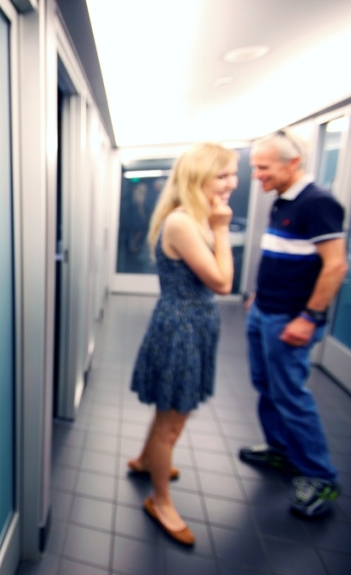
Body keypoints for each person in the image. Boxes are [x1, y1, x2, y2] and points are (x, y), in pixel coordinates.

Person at [128, 143, 238, 546]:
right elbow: (223, 282)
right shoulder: (182, 223)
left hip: (192, 324)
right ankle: (160, 502)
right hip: (182, 328)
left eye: (233, 174)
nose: (232, 184)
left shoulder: (194, 217)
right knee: (171, 424)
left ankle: (144, 462)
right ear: (198, 178)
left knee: (168, 409)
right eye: (222, 175)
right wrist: (223, 229)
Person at [240, 129, 348, 518]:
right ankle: (281, 450)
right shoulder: (280, 199)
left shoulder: (318, 203)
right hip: (265, 309)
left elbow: (335, 266)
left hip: (291, 318)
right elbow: (282, 256)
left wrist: (309, 317)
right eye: (255, 167)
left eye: (263, 168)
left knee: (290, 394)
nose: (257, 176)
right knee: (265, 385)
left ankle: (321, 478)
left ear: (293, 163)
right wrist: (257, 294)